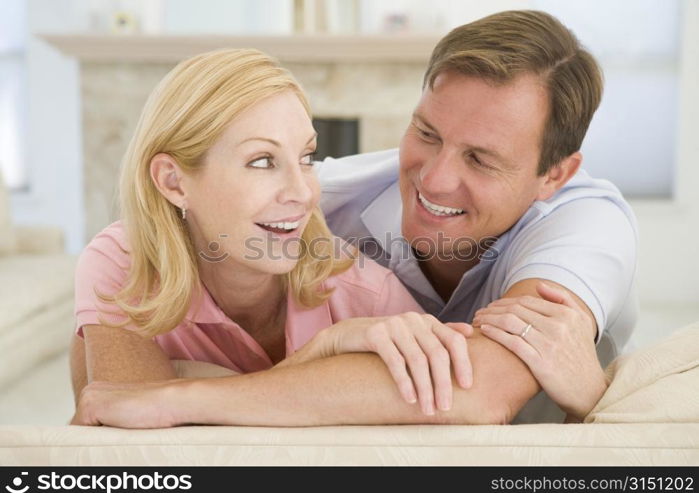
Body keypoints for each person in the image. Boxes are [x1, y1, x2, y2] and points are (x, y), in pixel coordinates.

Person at [72, 9, 637, 428]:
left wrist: (179, 394)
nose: (434, 179)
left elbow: (476, 390)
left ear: (553, 175)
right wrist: (320, 359)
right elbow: (111, 409)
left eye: (481, 159)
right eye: (427, 134)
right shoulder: (315, 200)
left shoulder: (582, 229)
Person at [69, 47, 477, 423]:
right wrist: (325, 354)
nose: (302, 192)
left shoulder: (367, 294)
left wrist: (181, 383)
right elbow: (132, 451)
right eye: (262, 161)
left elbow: (454, 421)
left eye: (306, 158)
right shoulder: (124, 264)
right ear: (174, 181)